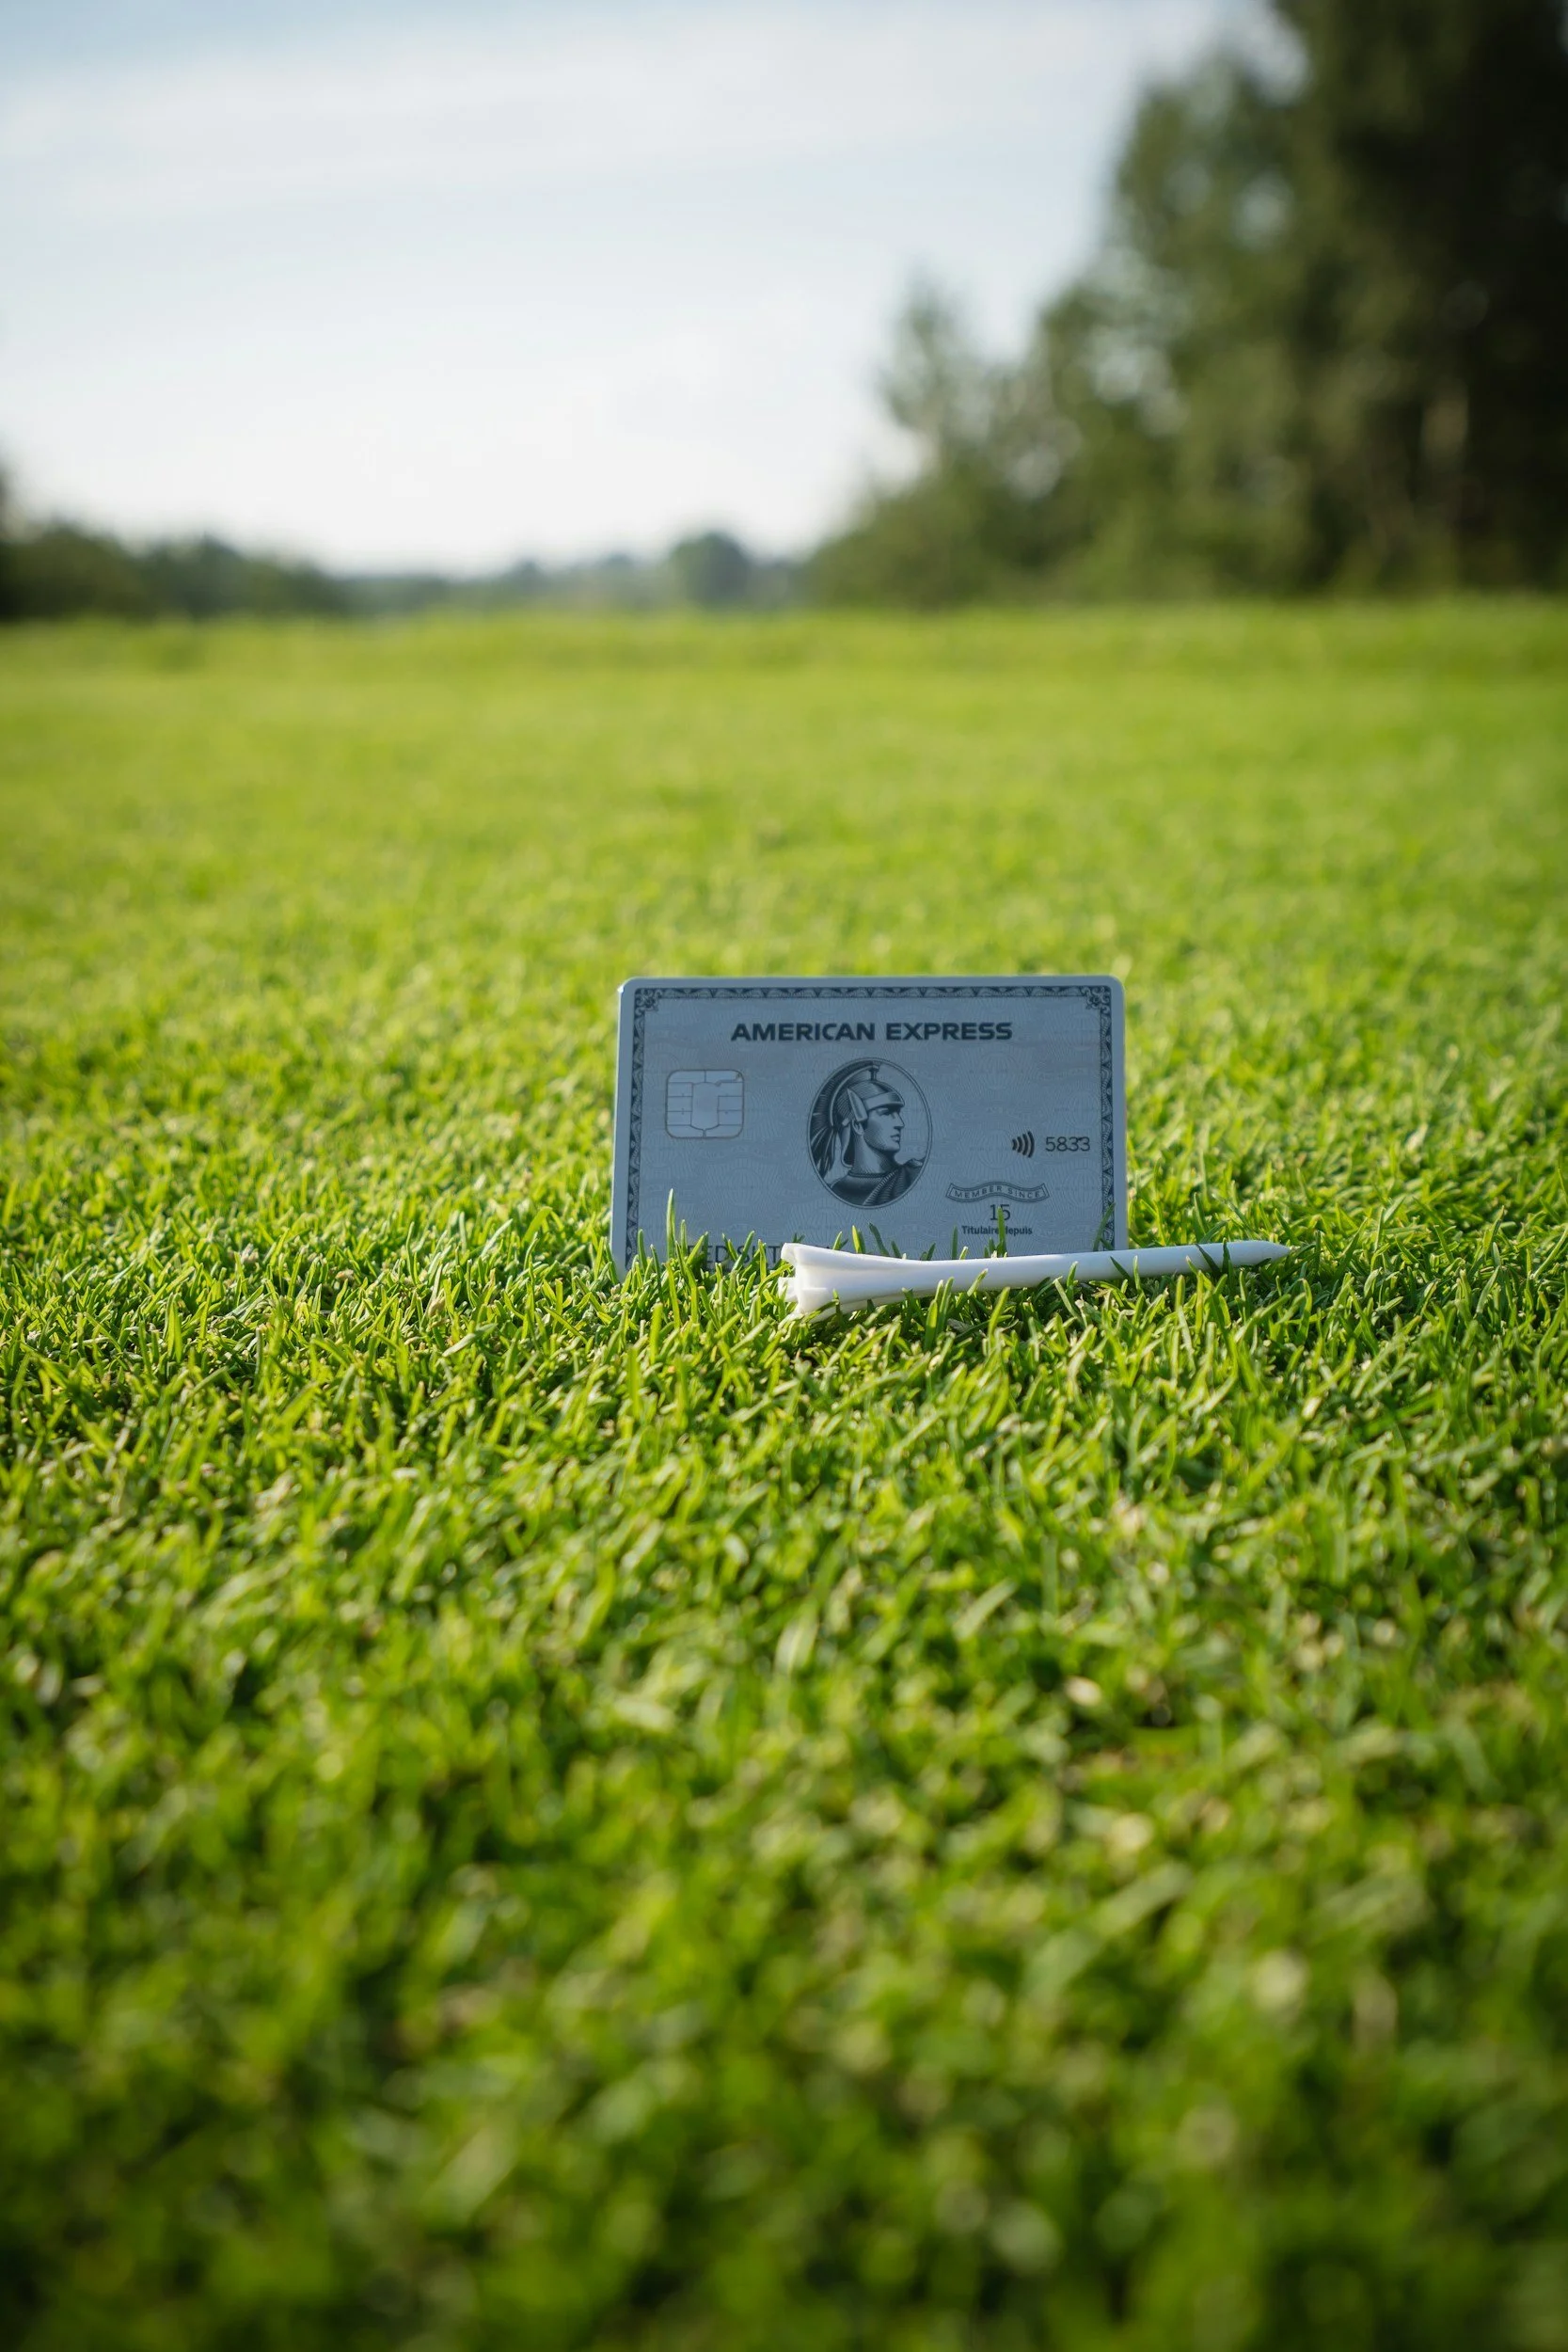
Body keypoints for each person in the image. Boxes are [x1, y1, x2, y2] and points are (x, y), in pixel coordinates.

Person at [811, 1062, 925, 1205]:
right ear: (858, 1125)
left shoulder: (912, 1176)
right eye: (887, 1113)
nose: (900, 1124)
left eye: (897, 1114)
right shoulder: (834, 1191)